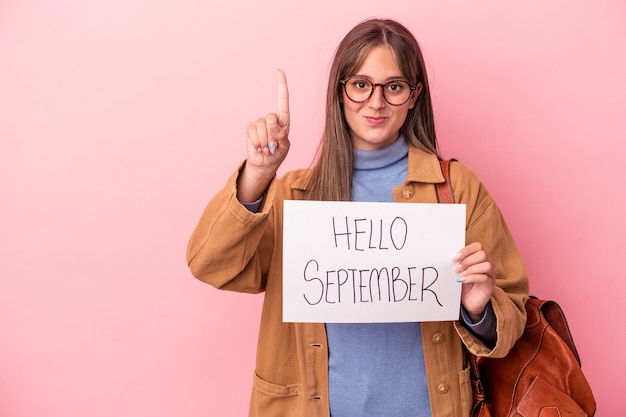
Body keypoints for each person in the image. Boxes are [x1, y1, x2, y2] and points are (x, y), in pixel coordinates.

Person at [187, 18, 529, 417]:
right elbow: (211, 265)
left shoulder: (456, 188)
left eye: (394, 87)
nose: (376, 102)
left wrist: (477, 311)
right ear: (341, 91)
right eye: (361, 84)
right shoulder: (292, 196)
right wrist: (259, 175)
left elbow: (511, 320)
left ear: (414, 95)